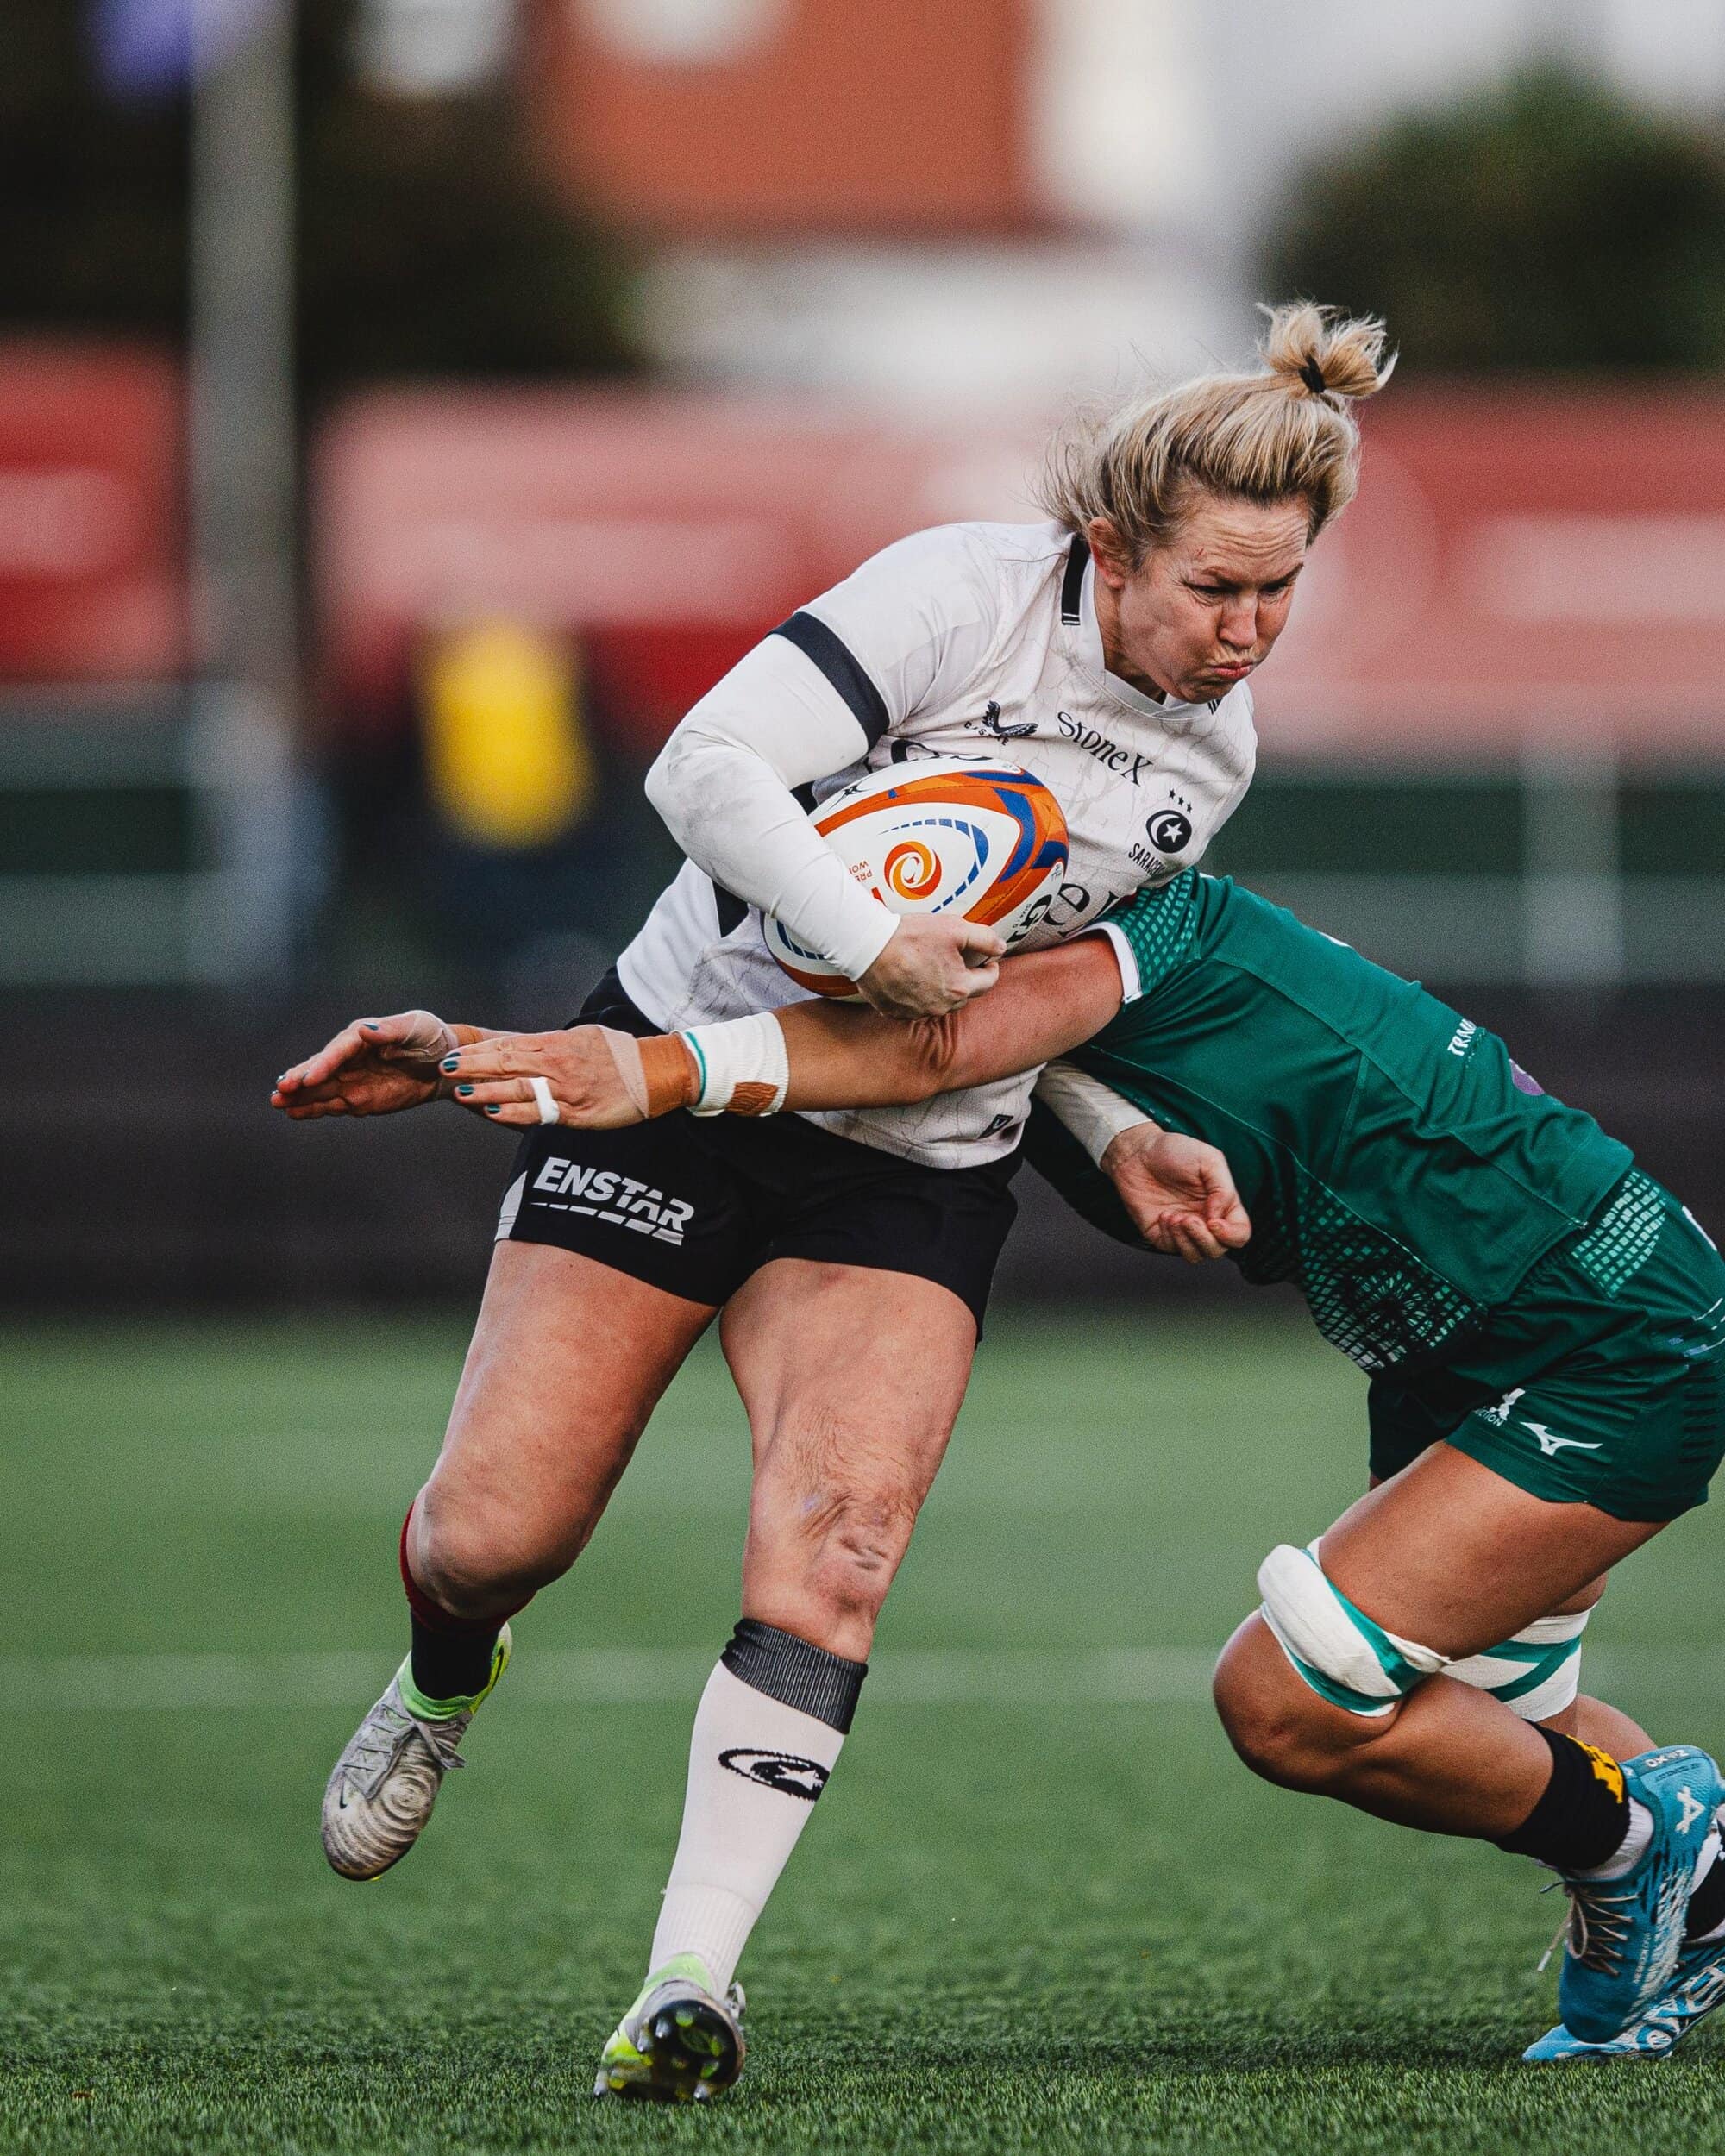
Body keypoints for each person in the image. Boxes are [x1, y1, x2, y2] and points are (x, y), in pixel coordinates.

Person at [273, 302, 1390, 2103]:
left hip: (912, 1163)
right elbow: (701, 771)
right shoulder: (957, 588)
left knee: (839, 1552)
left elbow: (1013, 989)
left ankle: (686, 1982)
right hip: (673, 1083)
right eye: (1214, 591)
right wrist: (872, 938)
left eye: (1282, 593)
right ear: (1110, 549)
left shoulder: (1209, 761)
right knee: (495, 1532)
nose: (1245, 634)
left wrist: (1101, 1130)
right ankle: (441, 1681)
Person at [443, 862, 1725, 2060]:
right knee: (1511, 1732)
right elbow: (1013, 1054)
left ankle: (1639, 1846)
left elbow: (929, 1047)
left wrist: (650, 1069)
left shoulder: (1140, 934)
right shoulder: (1067, 968)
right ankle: (1698, 1896)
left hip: (1606, 1333)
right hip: (1469, 1342)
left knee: (1287, 1699)